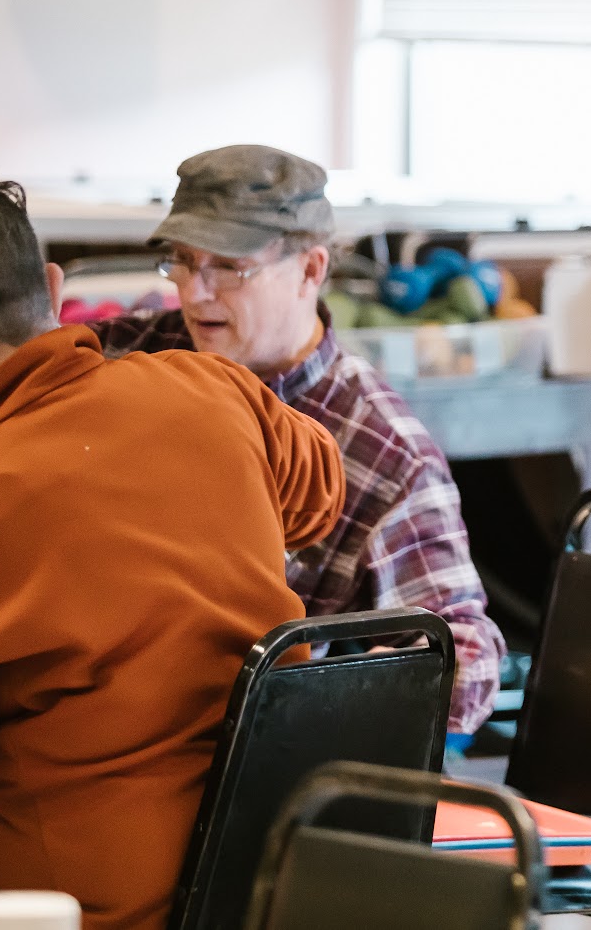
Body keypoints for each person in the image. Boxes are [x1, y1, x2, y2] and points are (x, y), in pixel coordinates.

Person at [0, 166, 343, 929]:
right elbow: (321, 489)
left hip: (77, 909)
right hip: (281, 879)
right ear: (52, 284)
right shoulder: (215, 388)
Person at [91, 145, 504, 740]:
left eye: (229, 267)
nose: (196, 292)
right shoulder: (133, 356)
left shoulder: (384, 454)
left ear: (311, 269)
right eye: (182, 262)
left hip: (243, 761)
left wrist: (313, 708)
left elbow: (462, 669)